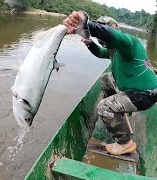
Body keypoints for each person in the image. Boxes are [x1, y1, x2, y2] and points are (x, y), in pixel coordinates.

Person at [63, 11, 157, 155]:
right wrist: (89, 43)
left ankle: (125, 143)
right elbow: (101, 53)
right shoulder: (114, 50)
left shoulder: (128, 43)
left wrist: (87, 25)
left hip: (145, 94)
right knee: (106, 78)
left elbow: (109, 34)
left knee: (104, 107)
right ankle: (119, 109)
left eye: (103, 34)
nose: (101, 39)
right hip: (133, 89)